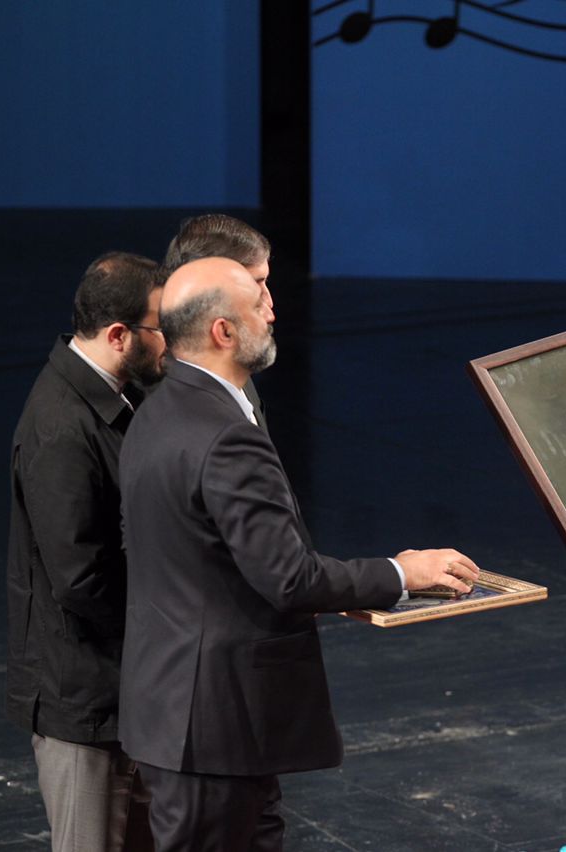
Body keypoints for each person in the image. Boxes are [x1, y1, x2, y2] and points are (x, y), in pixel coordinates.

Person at [117, 257, 480, 850]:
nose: (272, 311)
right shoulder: (225, 435)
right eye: (257, 302)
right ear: (222, 331)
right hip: (214, 723)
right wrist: (402, 573)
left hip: (181, 710)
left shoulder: (160, 410)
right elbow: (289, 578)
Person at [6, 252, 166, 851]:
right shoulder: (62, 426)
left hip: (120, 689)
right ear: (119, 335)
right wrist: (168, 629)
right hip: (84, 704)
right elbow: (80, 579)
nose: (170, 342)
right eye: (160, 329)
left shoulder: (114, 400)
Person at [161, 213, 273, 431]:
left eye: (265, 282)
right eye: (255, 285)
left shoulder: (234, 367)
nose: (269, 303)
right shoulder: (176, 405)